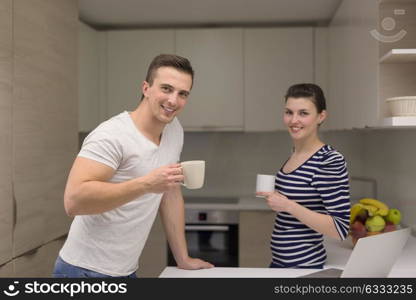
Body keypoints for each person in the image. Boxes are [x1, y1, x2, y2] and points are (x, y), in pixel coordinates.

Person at [53, 54, 214, 278]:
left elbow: (171, 192)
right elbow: (74, 201)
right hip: (83, 271)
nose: (173, 101)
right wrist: (147, 184)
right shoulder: (112, 135)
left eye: (182, 94)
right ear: (146, 88)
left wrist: (183, 258)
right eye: (166, 89)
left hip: (126, 271)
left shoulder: (174, 130)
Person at [257, 83, 350, 269]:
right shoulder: (295, 153)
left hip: (304, 268)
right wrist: (278, 199)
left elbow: (340, 228)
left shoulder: (329, 160)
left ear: (321, 116)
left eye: (303, 113)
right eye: (289, 112)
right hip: (280, 264)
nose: (294, 120)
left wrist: (288, 205)